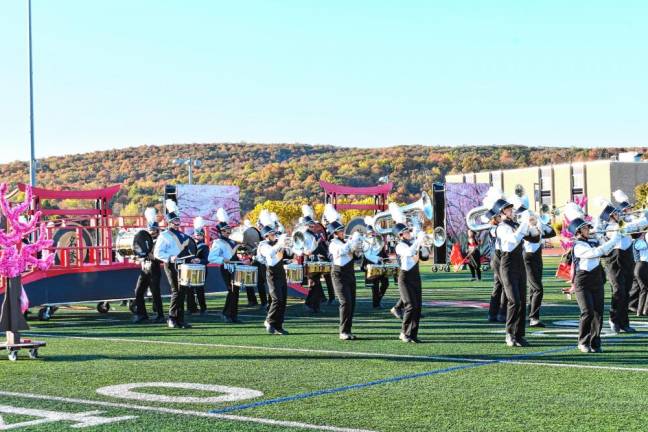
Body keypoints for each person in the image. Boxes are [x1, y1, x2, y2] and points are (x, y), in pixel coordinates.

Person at [595, 197, 648, 333]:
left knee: (626, 291)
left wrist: (640, 216)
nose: (619, 214)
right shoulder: (611, 227)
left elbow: (638, 229)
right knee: (618, 290)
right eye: (615, 213)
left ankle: (624, 323)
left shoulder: (623, 223)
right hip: (614, 261)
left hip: (627, 259)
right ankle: (613, 319)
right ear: (610, 216)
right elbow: (631, 226)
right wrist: (644, 214)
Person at [570, 217, 622, 353]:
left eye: (588, 228)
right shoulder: (578, 246)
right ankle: (583, 341)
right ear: (578, 231)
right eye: (585, 228)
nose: (588, 230)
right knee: (587, 312)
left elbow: (607, 250)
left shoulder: (592, 241)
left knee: (598, 313)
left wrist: (603, 236)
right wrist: (614, 239)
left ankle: (595, 343)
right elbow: (596, 253)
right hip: (582, 281)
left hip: (597, 280)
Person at [494, 196, 539, 347]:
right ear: (501, 213)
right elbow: (513, 240)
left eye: (511, 208)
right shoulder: (501, 228)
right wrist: (524, 224)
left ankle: (519, 335)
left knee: (522, 300)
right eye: (507, 209)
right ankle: (509, 333)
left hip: (519, 263)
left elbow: (533, 238)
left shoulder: (516, 224)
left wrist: (536, 226)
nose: (511, 211)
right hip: (507, 263)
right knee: (514, 300)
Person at [153, 200, 196, 329]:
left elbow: (186, 251)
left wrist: (192, 259)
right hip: (171, 265)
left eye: (178, 220)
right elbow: (157, 253)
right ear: (169, 222)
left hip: (183, 265)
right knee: (176, 291)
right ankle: (171, 318)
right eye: (175, 220)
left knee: (182, 291)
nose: (177, 222)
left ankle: (180, 319)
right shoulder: (164, 235)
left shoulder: (182, 235)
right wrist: (170, 258)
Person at [327, 205, 362, 341]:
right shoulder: (333, 244)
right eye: (340, 230)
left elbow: (357, 256)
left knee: (352, 303)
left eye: (342, 230)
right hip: (339, 275)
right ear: (335, 233)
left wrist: (358, 246)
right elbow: (342, 251)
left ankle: (348, 330)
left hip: (350, 273)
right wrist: (352, 241)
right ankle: (343, 331)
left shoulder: (346, 242)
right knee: (345, 302)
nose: (343, 232)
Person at [394, 222, 426, 343]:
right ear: (401, 235)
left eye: (409, 231)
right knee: (410, 305)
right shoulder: (399, 246)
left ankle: (413, 334)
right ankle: (404, 333)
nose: (409, 233)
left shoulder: (413, 243)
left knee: (417, 307)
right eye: (407, 232)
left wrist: (424, 245)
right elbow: (408, 252)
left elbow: (425, 257)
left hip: (415, 276)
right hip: (405, 277)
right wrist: (418, 241)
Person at [257, 222, 292, 335]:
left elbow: (289, 254)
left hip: (281, 272)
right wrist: (280, 244)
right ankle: (269, 321)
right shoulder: (263, 245)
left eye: (274, 233)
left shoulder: (277, 243)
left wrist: (290, 246)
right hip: (271, 273)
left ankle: (278, 326)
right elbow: (270, 254)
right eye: (272, 234)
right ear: (266, 235)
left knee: (283, 301)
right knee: (276, 299)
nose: (274, 235)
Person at [208, 208, 242, 323]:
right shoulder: (217, 243)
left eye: (228, 229)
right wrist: (223, 260)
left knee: (236, 291)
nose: (228, 232)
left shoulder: (233, 242)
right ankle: (226, 314)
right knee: (231, 290)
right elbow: (211, 258)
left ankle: (234, 315)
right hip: (226, 268)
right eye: (225, 230)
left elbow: (236, 256)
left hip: (236, 268)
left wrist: (243, 260)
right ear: (220, 232)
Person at [523, 212, 556, 328]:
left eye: (534, 218)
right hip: (528, 258)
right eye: (531, 218)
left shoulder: (538, 228)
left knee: (534, 289)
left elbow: (553, 233)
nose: (533, 220)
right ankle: (534, 318)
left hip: (537, 257)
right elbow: (535, 239)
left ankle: (529, 316)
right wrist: (537, 227)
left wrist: (542, 223)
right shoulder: (525, 231)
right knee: (538, 289)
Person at [131, 207, 164, 324]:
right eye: (150, 229)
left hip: (154, 269)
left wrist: (153, 257)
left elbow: (162, 257)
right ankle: (141, 314)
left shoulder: (160, 241)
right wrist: (137, 256)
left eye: (154, 229)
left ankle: (160, 315)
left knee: (155, 292)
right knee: (138, 291)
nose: (152, 232)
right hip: (144, 269)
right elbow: (141, 252)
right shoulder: (145, 240)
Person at [300, 215, 330, 313]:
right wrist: (309, 251)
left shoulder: (314, 235)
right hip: (309, 261)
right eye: (310, 226)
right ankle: (309, 304)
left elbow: (318, 248)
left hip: (317, 261)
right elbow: (303, 249)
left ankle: (315, 306)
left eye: (313, 226)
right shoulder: (303, 235)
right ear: (306, 226)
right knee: (314, 284)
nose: (313, 227)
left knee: (316, 285)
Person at [484, 210, 507, 322]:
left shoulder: (498, 227)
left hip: (497, 258)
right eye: (499, 216)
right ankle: (502, 313)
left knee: (498, 286)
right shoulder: (494, 228)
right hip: (498, 259)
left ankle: (493, 314)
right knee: (505, 286)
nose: (501, 217)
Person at [361, 225, 390, 309]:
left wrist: (387, 259)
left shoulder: (378, 241)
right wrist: (366, 267)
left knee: (385, 284)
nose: (372, 234)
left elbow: (382, 253)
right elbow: (365, 257)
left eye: (373, 232)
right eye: (370, 233)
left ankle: (378, 299)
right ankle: (376, 304)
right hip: (372, 267)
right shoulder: (366, 243)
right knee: (375, 287)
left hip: (381, 266)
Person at [186, 217, 209, 315]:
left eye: (199, 235)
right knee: (189, 289)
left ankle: (203, 308)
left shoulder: (204, 246)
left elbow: (207, 260)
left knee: (199, 289)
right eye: (196, 235)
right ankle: (191, 308)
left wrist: (199, 260)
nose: (197, 236)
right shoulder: (189, 244)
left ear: (202, 236)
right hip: (190, 269)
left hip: (201, 269)